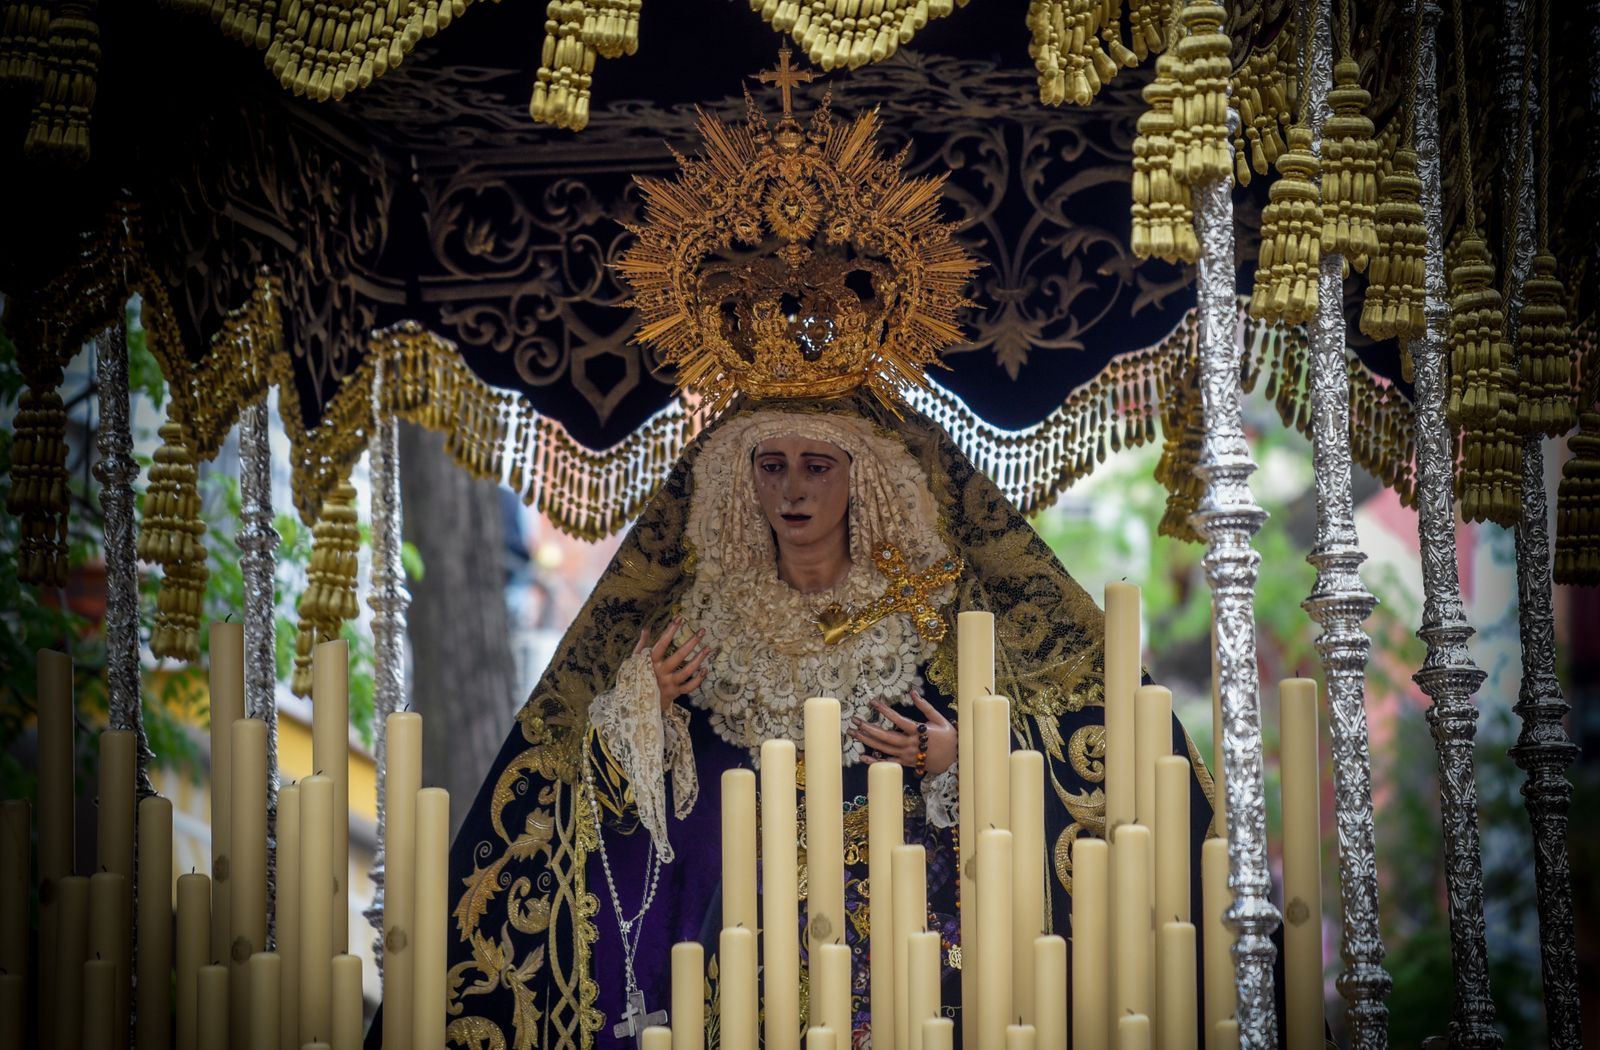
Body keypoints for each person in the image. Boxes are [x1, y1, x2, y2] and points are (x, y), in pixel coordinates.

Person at [367, 65, 1219, 1049]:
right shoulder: (702, 635)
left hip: (917, 989)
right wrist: (639, 707)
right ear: (740, 482)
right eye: (769, 466)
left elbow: (1076, 780)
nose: (794, 492)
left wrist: (963, 761)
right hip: (735, 983)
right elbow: (589, 827)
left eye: (819, 465)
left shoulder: (933, 620)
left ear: (866, 480)